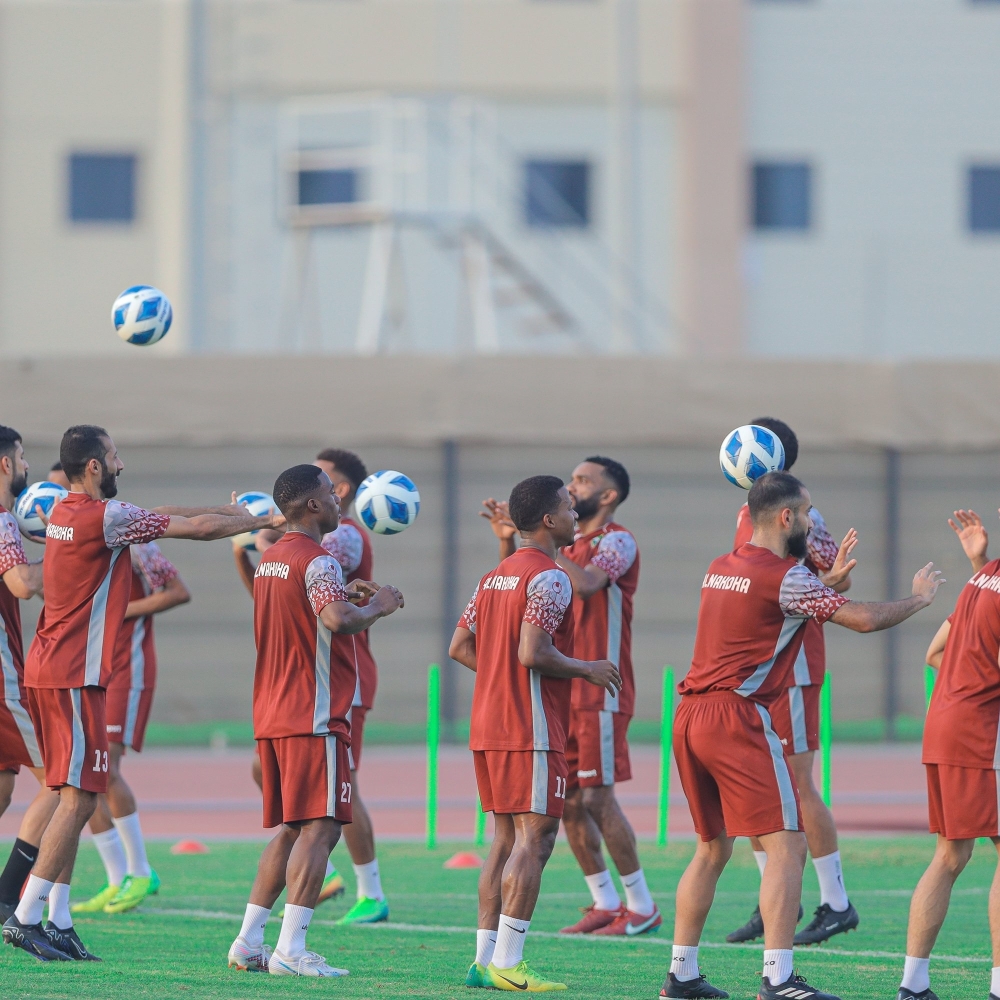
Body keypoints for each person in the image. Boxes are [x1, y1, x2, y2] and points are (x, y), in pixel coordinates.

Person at [1, 424, 282, 963]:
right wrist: (263, 520)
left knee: (72, 796)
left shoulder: (64, 510)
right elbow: (194, 529)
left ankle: (57, 919)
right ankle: (26, 915)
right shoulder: (104, 518)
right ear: (92, 467)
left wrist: (241, 516)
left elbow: (173, 513)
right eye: (112, 456)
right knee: (81, 796)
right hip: (71, 672)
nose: (120, 463)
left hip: (54, 666)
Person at [662, 471, 942, 1000]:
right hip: (736, 717)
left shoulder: (720, 567)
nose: (812, 523)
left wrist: (824, 583)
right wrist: (918, 600)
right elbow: (859, 619)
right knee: (788, 845)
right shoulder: (787, 575)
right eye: (808, 513)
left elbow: (777, 607)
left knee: (712, 849)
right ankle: (778, 978)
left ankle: (681, 975)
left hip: (689, 714)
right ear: (785, 517)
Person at [227, 464, 403, 977]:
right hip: (315, 711)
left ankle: (247, 941)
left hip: (274, 708)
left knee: (290, 830)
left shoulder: (274, 557)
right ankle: (291, 951)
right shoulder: (317, 558)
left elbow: (302, 613)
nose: (337, 500)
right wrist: (383, 606)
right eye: (329, 494)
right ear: (311, 505)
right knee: (322, 828)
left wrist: (348, 593)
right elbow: (335, 622)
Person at [451, 475, 622, 991]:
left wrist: (501, 680)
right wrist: (586, 667)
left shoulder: (493, 575)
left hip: (490, 724)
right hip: (532, 728)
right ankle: (508, 963)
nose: (575, 515)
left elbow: (460, 646)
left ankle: (484, 962)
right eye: (568, 508)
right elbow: (533, 652)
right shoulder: (551, 577)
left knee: (504, 839)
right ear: (549, 520)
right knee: (537, 838)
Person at [482, 457, 658, 936]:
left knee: (598, 797)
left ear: (608, 496)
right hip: (559, 687)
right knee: (571, 803)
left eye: (583, 481)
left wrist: (537, 546)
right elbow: (519, 589)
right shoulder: (558, 549)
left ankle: (641, 905)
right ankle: (603, 900)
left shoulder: (614, 541)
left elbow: (588, 585)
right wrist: (514, 542)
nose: (574, 487)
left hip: (599, 683)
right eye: (570, 483)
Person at [725, 419, 860, 947]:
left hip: (795, 665)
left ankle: (836, 903)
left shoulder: (805, 515)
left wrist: (828, 580)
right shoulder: (747, 513)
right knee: (756, 786)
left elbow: (837, 580)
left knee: (798, 786)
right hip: (758, 669)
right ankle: (774, 898)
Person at [894, 506, 1000, 1000]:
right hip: (982, 734)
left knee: (951, 856)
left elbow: (936, 653)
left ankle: (913, 986)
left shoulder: (982, 581)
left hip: (945, 725)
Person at [71, 541, 191, 915]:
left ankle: (140, 871)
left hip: (127, 669)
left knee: (107, 770)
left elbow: (178, 592)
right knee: (84, 773)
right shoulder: (70, 539)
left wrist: (116, 610)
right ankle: (115, 877)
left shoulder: (134, 541)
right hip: (88, 667)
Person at [0, 426, 62, 927]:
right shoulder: (1, 520)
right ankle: (9, 901)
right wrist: (70, 553)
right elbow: (22, 584)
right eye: (21, 457)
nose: (25, 466)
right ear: (4, 465)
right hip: (3, 681)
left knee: (2, 787)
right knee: (63, 782)